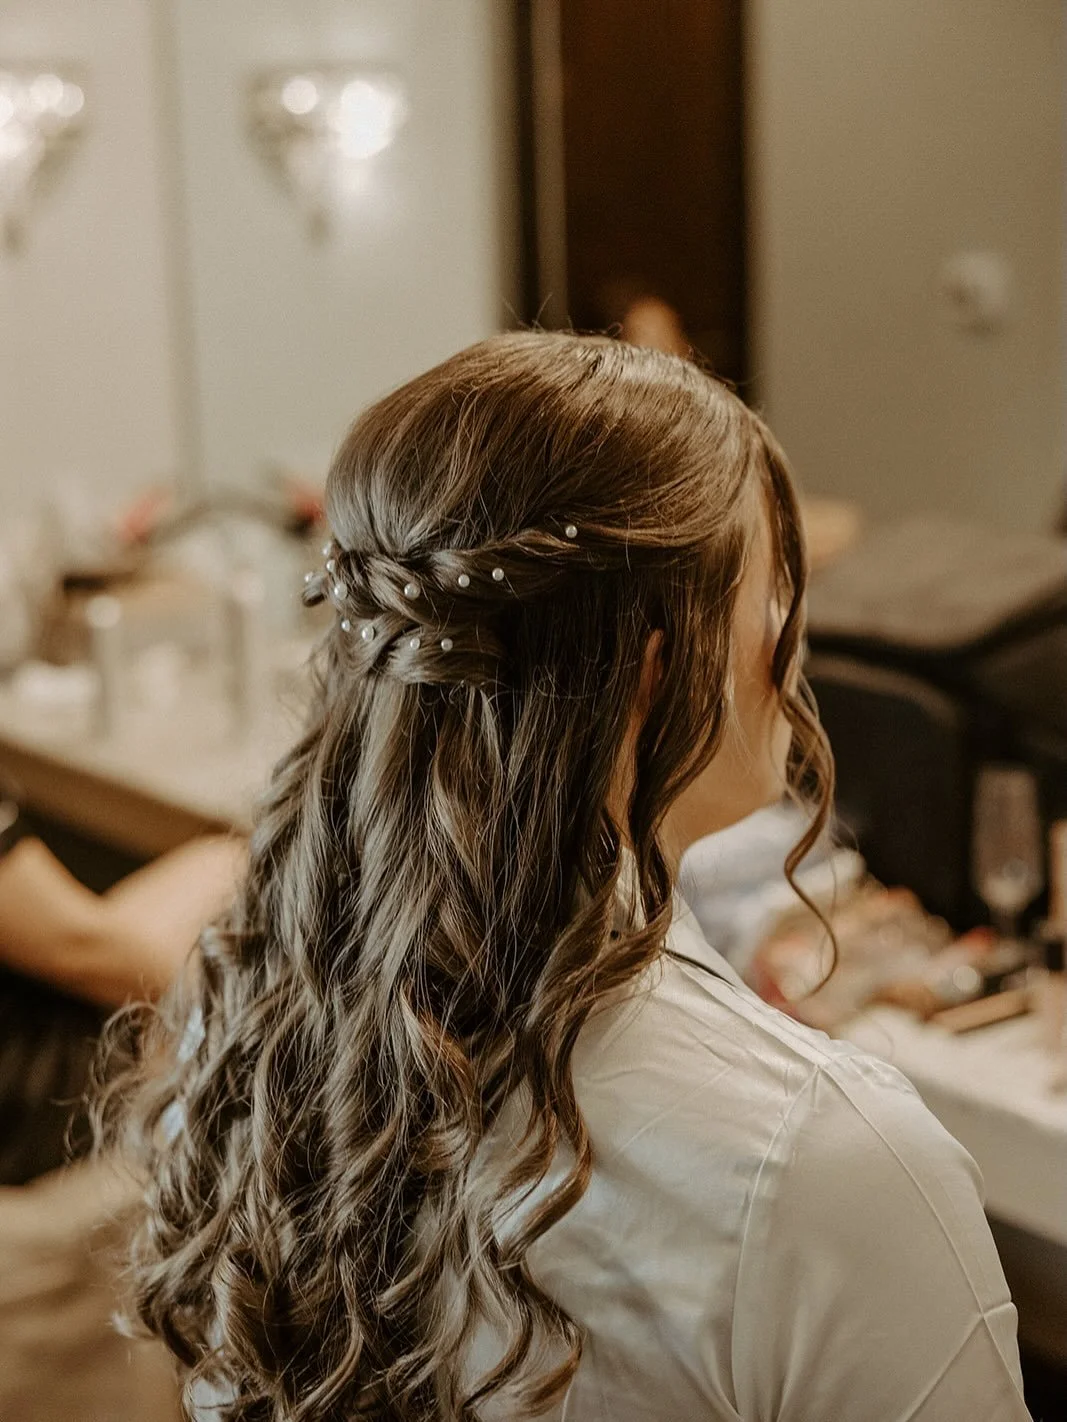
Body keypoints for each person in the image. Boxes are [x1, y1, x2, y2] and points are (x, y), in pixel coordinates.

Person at [102, 332, 1030, 1421]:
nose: (792, 633)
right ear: (656, 669)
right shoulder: (822, 1164)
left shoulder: (252, 1026)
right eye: (772, 590)